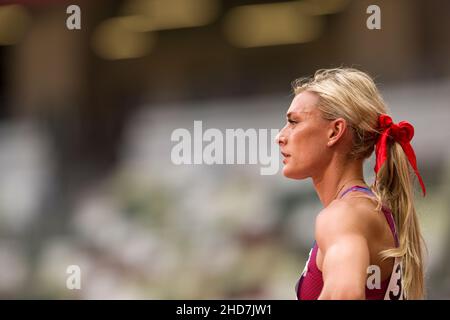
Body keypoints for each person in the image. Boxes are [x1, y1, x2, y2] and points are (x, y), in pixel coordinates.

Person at [276, 68, 426, 300]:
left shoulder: (343, 215)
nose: (281, 136)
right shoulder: (370, 210)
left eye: (294, 122)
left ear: (335, 131)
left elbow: (346, 294)